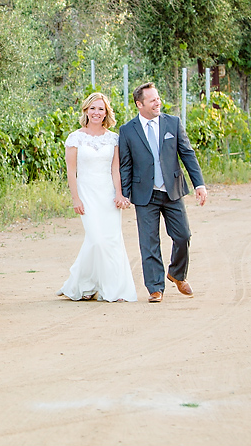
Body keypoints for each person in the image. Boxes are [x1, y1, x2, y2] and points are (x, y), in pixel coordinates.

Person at [118, 82, 207, 303]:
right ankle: (155, 287)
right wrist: (125, 193)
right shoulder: (128, 130)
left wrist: (199, 184)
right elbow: (126, 164)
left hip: (172, 191)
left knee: (183, 235)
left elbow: (187, 154)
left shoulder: (173, 123)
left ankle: (177, 274)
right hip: (144, 194)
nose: (157, 102)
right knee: (149, 242)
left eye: (158, 98)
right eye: (152, 100)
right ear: (140, 104)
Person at [57, 92, 137, 303]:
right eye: (92, 108)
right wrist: (76, 199)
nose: (96, 112)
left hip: (108, 194)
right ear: (86, 110)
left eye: (101, 109)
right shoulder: (75, 137)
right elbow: (71, 172)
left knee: (110, 241)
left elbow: (115, 170)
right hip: (87, 193)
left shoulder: (113, 138)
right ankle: (83, 284)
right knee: (96, 239)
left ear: (106, 113)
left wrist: (119, 194)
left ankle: (110, 289)